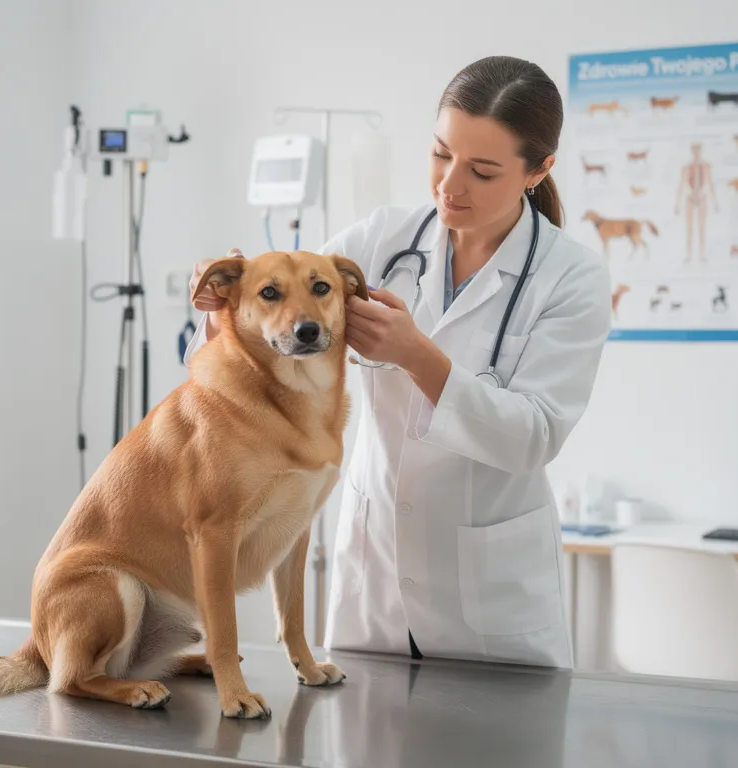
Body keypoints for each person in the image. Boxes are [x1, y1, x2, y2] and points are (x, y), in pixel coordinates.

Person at [185, 56, 610, 669]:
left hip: (490, 604)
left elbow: (533, 439)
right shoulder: (381, 241)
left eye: (482, 171)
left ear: (538, 169)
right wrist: (218, 306)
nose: (449, 186)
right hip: (373, 581)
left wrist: (416, 356)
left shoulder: (572, 278)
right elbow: (261, 341)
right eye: (441, 154)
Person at [674, 141, 718, 263]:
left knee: (701, 227)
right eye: (694, 149)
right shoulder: (686, 167)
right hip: (690, 197)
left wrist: (715, 201)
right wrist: (677, 203)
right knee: (689, 228)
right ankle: (689, 256)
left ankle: (702, 255)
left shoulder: (706, 166)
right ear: (691, 151)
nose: (696, 152)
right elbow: (681, 185)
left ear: (701, 150)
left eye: (698, 149)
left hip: (702, 197)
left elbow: (710, 183)